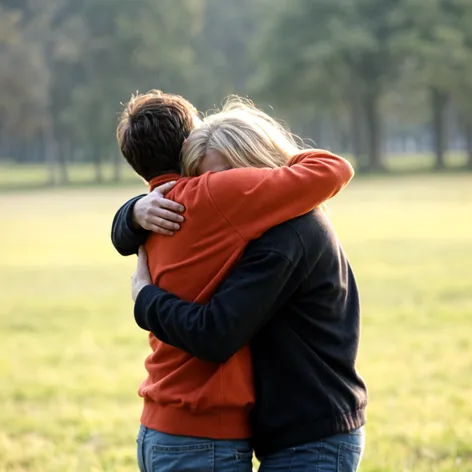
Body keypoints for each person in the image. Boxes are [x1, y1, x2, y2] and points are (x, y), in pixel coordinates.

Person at [112, 90, 354, 472]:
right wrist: (131, 215)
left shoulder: (287, 233)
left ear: (257, 170)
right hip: (274, 433)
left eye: (229, 176)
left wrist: (144, 297)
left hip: (310, 433)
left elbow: (215, 333)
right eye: (203, 176)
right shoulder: (210, 216)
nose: (215, 189)